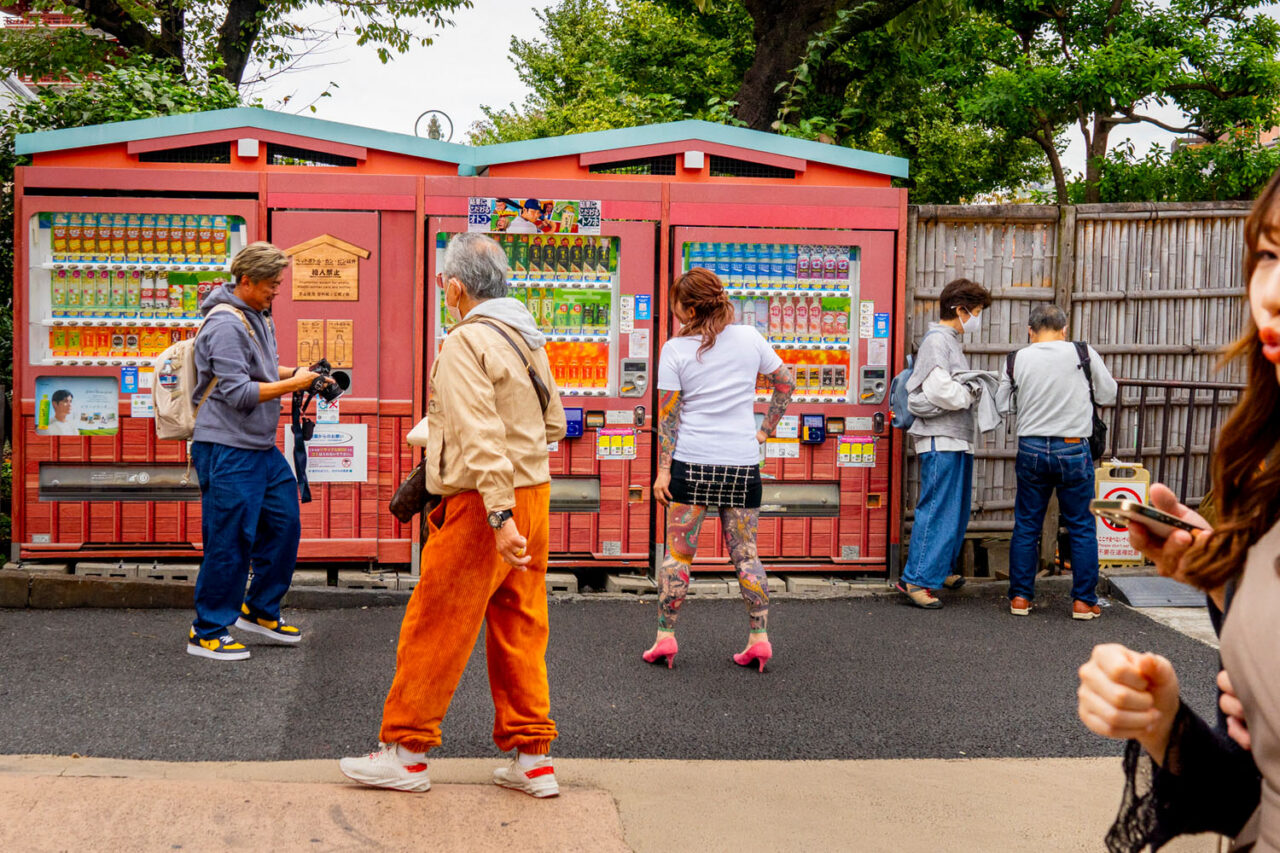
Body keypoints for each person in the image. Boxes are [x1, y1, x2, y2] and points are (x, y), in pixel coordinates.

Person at [1074, 169, 1280, 850]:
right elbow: (1254, 797)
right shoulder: (1265, 469)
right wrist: (1163, 723)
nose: (1270, 296)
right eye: (1269, 257)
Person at [340, 233, 567, 798]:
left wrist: (498, 514)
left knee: (437, 620)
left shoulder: (467, 342)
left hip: (481, 503)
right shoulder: (526, 335)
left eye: (445, 284)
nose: (445, 292)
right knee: (520, 624)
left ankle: (406, 752)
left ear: (458, 288)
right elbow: (555, 423)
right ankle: (533, 759)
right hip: (534, 494)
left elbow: (481, 435)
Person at [645, 267, 794, 672]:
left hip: (691, 463)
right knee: (746, 555)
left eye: (677, 302)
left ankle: (665, 638)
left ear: (689, 307)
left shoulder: (675, 349)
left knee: (678, 556)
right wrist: (765, 431)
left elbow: (668, 417)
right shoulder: (749, 337)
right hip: (742, 463)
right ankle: (759, 640)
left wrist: (662, 471)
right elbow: (785, 382)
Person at [186, 242, 325, 661]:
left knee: (284, 526)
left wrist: (305, 375)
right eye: (270, 284)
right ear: (245, 281)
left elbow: (261, 371)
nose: (275, 292)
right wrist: (294, 385)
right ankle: (207, 629)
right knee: (229, 538)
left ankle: (259, 610)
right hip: (227, 447)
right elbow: (239, 392)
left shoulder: (256, 315)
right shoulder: (225, 325)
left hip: (259, 448)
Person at [996, 304, 1117, 619]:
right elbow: (1108, 394)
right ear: (1064, 329)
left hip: (1032, 448)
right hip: (1072, 448)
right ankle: (1083, 602)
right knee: (1081, 527)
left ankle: (1020, 598)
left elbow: (1001, 403)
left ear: (1030, 331)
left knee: (1026, 525)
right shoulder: (1082, 353)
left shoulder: (1017, 358)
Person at [896, 277, 992, 609]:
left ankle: (936, 570)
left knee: (953, 509)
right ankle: (916, 580)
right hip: (941, 438)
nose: (977, 319)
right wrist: (970, 393)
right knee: (938, 508)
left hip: (953, 438)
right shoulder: (938, 341)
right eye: (976, 311)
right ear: (960, 309)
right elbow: (940, 390)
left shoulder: (947, 340)